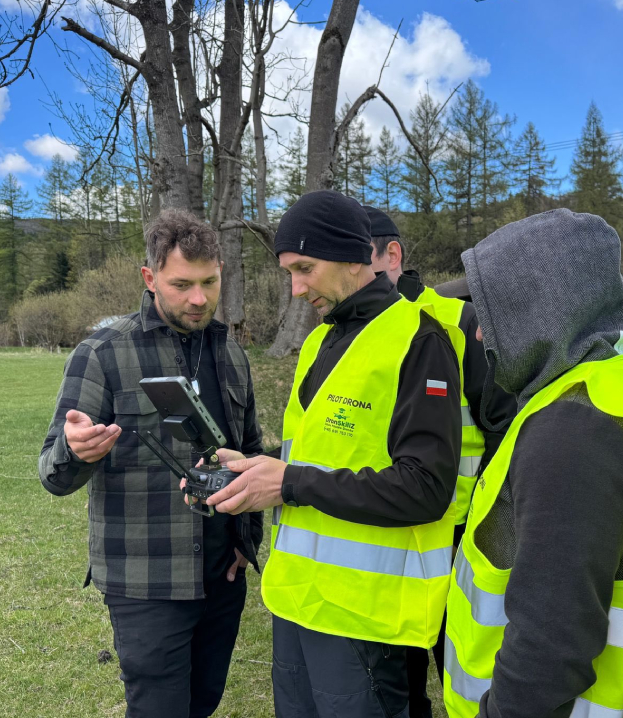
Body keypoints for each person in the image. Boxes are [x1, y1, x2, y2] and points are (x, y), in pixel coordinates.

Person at [194, 189, 462, 718]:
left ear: (352, 256)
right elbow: (315, 452)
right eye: (288, 272)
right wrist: (252, 471)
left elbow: (426, 488)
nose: (295, 289)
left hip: (367, 620)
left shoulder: (420, 339)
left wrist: (289, 482)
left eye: (305, 268)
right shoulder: (320, 342)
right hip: (298, 603)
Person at [443, 209, 623, 718]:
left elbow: (552, 644)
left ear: (538, 312)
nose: (477, 336)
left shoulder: (574, 429)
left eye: (492, 317)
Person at [38, 209, 265, 718]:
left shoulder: (232, 353)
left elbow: (251, 452)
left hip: (222, 575)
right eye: (182, 284)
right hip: (144, 580)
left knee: (204, 700)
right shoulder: (102, 352)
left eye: (209, 282)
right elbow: (52, 473)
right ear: (149, 278)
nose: (199, 298)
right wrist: (75, 452)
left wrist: (247, 540)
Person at [366, 206, 516, 718]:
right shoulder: (356, 332)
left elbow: (502, 423)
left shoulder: (457, 321)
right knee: (399, 682)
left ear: (393, 255)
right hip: (390, 535)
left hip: (455, 538)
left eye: (358, 256)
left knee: (465, 672)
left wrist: (485, 519)